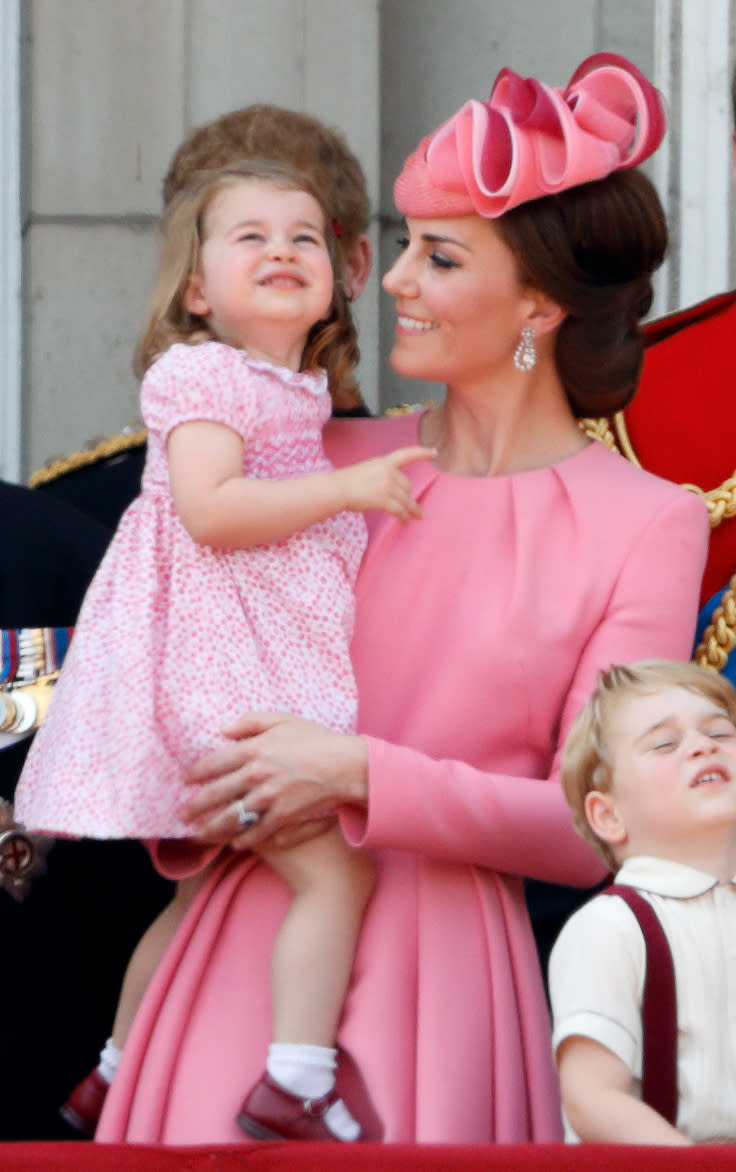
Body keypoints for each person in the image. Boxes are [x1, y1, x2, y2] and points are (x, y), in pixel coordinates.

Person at [96, 54, 710, 1146]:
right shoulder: (303, 456)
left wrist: (356, 772)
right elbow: (150, 640)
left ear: (536, 303)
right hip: (245, 947)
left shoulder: (647, 521)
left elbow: (598, 823)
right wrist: (195, 786)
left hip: (446, 980)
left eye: (437, 255)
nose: (393, 284)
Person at [15, 157, 434, 1143]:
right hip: (218, 679)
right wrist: (349, 490)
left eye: (304, 236)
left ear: (339, 274)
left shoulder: (289, 392)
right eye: (249, 236)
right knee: (337, 874)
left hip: (235, 669)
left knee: (201, 892)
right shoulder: (200, 373)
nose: (282, 249)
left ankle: (117, 1068)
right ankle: (296, 1073)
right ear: (196, 287)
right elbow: (210, 511)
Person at [549, 659, 736, 1145]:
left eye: (721, 732)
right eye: (665, 743)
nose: (704, 745)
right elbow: (593, 1100)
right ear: (608, 816)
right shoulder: (610, 928)